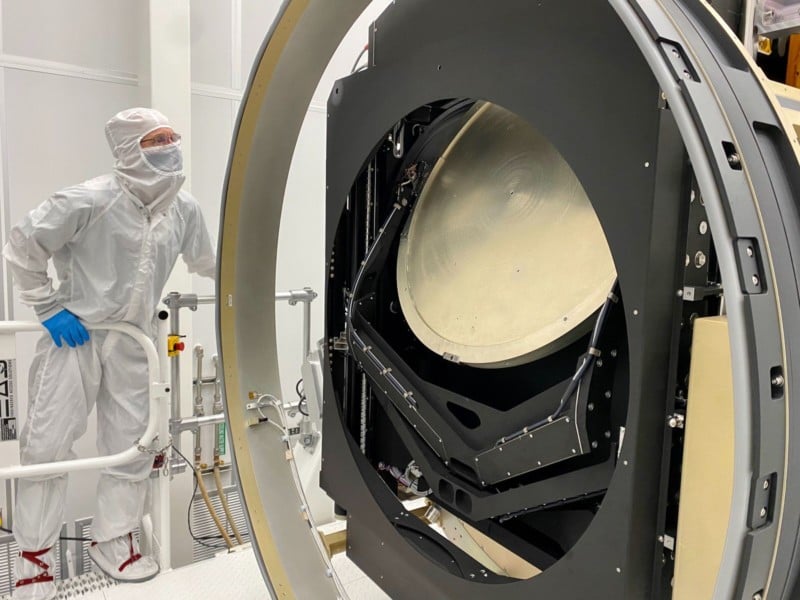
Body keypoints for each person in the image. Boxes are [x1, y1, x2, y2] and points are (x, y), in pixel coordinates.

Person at [3, 107, 216, 600]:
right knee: (47, 448)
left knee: (134, 443)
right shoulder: (90, 199)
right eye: (155, 139)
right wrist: (48, 306)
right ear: (127, 148)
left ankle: (112, 541)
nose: (169, 146)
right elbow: (22, 245)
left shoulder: (183, 209)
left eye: (171, 136)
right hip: (73, 337)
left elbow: (210, 260)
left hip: (135, 341)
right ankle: (34, 562)